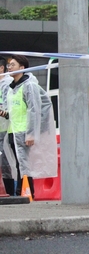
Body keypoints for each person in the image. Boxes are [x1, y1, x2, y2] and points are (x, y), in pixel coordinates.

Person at [5, 55, 57, 198]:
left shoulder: (29, 85)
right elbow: (15, 111)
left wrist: (31, 133)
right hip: (13, 131)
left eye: (13, 65)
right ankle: (22, 193)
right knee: (19, 163)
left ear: (22, 68)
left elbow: (34, 109)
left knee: (24, 164)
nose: (9, 68)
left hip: (24, 131)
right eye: (9, 65)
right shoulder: (12, 88)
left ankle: (26, 193)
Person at [0, 57, 17, 195]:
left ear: (1, 68)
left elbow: (8, 108)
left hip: (5, 129)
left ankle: (10, 192)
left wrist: (3, 112)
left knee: (5, 162)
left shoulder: (7, 84)